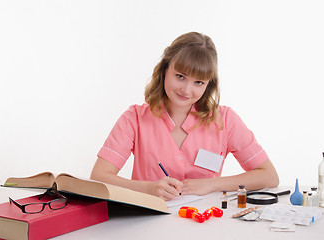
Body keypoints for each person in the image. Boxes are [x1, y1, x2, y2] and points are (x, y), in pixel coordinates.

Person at [90, 32, 279, 201]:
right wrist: (147, 188)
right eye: (180, 76)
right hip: (146, 223)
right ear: (164, 70)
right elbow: (99, 177)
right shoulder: (134, 118)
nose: (187, 90)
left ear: (208, 85)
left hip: (205, 223)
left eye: (198, 82)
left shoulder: (226, 120)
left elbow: (269, 176)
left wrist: (211, 184)